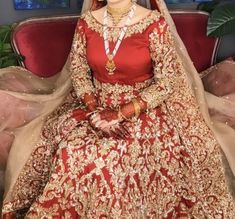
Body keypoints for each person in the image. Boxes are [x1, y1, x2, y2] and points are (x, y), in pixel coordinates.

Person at [1, 0, 235, 217]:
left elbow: (166, 83)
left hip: (145, 106)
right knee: (72, 151)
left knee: (116, 154)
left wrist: (121, 113)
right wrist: (94, 112)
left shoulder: (153, 23)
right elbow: (80, 73)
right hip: (95, 104)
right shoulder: (88, 23)